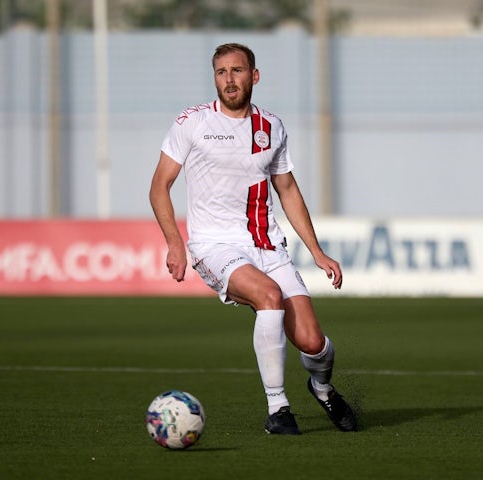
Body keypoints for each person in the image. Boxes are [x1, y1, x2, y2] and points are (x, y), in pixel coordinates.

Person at [149, 42, 356, 435]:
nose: (229, 79)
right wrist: (176, 243)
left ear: (254, 76)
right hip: (214, 245)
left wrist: (317, 251)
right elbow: (160, 186)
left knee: (313, 343)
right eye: (221, 72)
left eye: (237, 71)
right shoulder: (191, 123)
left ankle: (323, 388)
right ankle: (278, 409)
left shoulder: (271, 128)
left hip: (268, 247)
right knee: (268, 296)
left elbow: (288, 188)